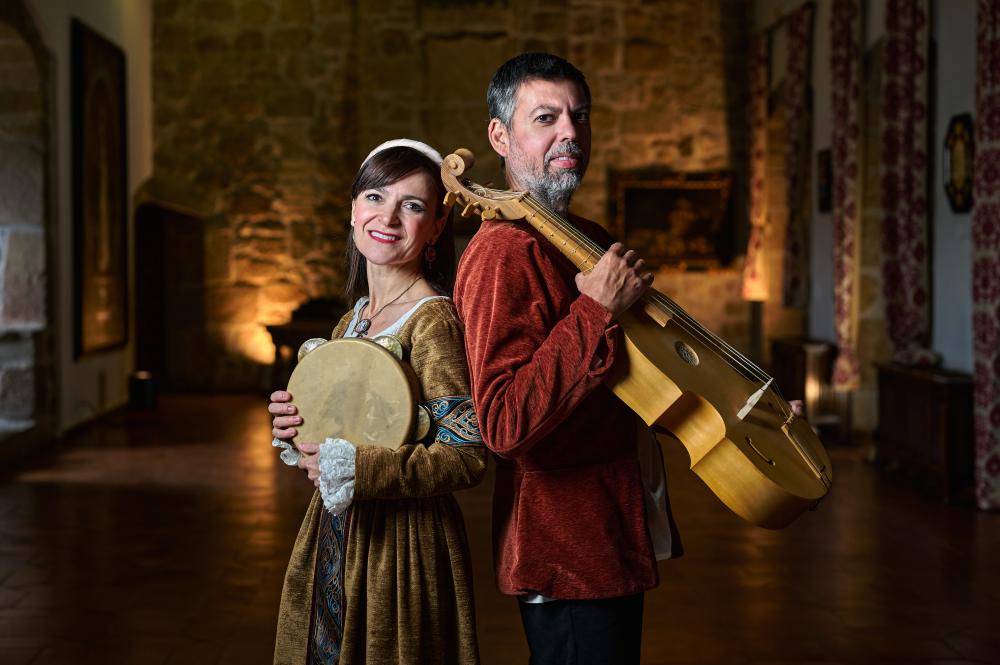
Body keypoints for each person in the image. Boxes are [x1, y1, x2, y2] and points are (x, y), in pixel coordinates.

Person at [452, 52, 683, 665]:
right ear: (499, 136)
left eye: (580, 116)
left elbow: (637, 380)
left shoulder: (588, 238)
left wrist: (750, 411)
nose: (570, 133)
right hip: (564, 546)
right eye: (546, 118)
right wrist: (595, 310)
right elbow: (503, 424)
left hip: (612, 530)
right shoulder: (502, 252)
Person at [269, 139, 487, 665]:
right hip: (336, 533)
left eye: (411, 205)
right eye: (375, 197)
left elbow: (467, 455)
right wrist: (298, 430)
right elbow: (343, 431)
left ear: (436, 227)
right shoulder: (355, 317)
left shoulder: (434, 321)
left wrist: (358, 468)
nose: (387, 217)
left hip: (403, 546)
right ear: (353, 210)